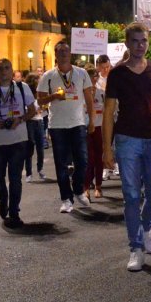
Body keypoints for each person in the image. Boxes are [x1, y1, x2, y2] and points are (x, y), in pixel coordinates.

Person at [103, 22, 151, 272]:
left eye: (144, 41)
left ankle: (147, 224)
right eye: (136, 41)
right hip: (127, 138)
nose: (141, 45)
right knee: (131, 195)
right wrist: (107, 149)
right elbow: (108, 112)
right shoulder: (117, 74)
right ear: (127, 44)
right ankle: (136, 247)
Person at [38, 40, 95, 213]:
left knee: (83, 161)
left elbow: (89, 99)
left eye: (66, 51)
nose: (63, 54)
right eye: (60, 51)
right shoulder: (48, 76)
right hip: (57, 125)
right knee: (61, 164)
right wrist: (54, 96)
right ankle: (66, 199)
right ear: (55, 54)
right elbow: (40, 100)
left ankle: (78, 189)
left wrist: (91, 120)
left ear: (70, 54)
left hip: (78, 123)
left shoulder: (81, 73)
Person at [0, 58, 37, 228]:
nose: (4, 71)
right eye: (1, 69)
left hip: (18, 140)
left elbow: (32, 110)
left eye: (7, 68)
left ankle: (14, 212)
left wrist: (20, 119)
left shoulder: (22, 88)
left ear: (12, 71)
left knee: (15, 177)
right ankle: (3, 198)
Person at [85, 55, 110, 199]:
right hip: (87, 127)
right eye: (91, 76)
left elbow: (107, 108)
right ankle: (86, 186)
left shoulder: (101, 92)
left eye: (95, 76)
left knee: (99, 157)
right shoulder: (83, 94)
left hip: (100, 127)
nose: (94, 79)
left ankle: (98, 186)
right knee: (89, 158)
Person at [23, 73, 47, 182]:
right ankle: (29, 173)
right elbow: (25, 108)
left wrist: (43, 108)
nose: (40, 82)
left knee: (41, 148)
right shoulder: (27, 94)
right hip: (30, 122)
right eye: (38, 80)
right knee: (30, 148)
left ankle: (40, 169)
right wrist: (33, 111)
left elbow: (44, 106)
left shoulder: (40, 93)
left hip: (39, 121)